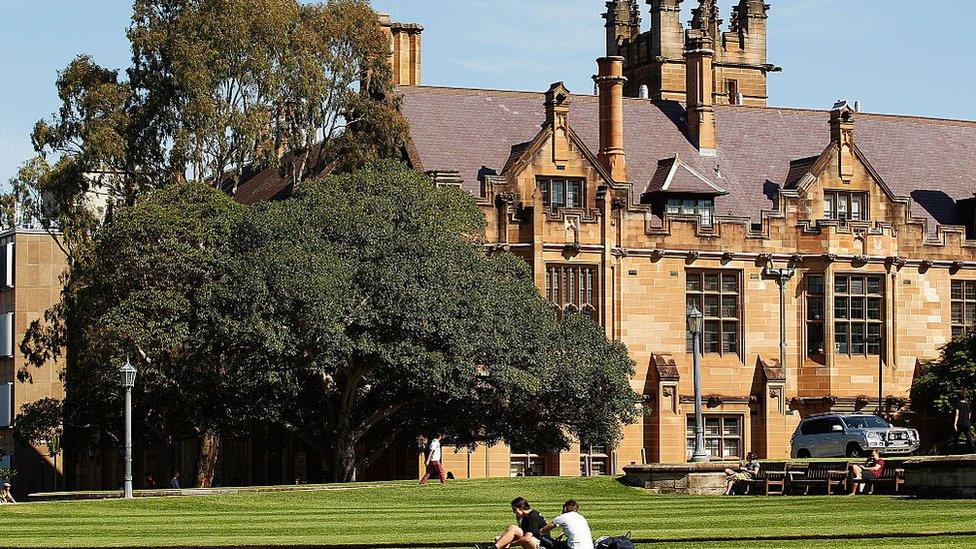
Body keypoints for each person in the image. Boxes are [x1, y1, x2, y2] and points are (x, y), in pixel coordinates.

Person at [476, 497, 549, 549]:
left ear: (521, 508)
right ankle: (494, 547)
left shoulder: (532, 516)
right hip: (535, 541)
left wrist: (510, 544)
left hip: (541, 545)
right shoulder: (525, 516)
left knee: (514, 529)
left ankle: (493, 548)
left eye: (514, 510)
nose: (514, 512)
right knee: (499, 539)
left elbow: (527, 538)